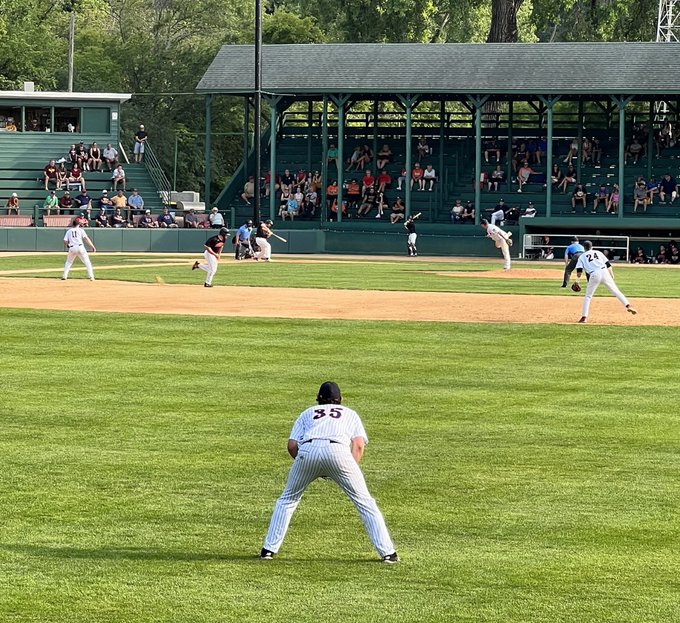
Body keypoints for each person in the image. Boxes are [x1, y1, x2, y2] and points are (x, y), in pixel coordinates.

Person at [260, 381, 398, 564]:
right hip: (339, 452)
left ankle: (268, 550)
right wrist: (345, 469)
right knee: (365, 502)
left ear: (318, 399)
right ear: (340, 399)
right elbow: (357, 445)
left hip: (307, 451)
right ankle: (388, 554)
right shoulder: (350, 413)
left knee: (287, 500)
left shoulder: (307, 413)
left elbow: (292, 446)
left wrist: (308, 466)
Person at [573, 240, 637, 323]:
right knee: (616, 291)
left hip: (594, 274)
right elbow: (608, 265)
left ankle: (584, 317)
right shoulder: (598, 252)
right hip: (605, 271)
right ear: (592, 247)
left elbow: (579, 271)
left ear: (584, 248)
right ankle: (628, 305)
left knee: (588, 296)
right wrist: (612, 276)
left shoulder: (582, 256)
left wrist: (577, 281)